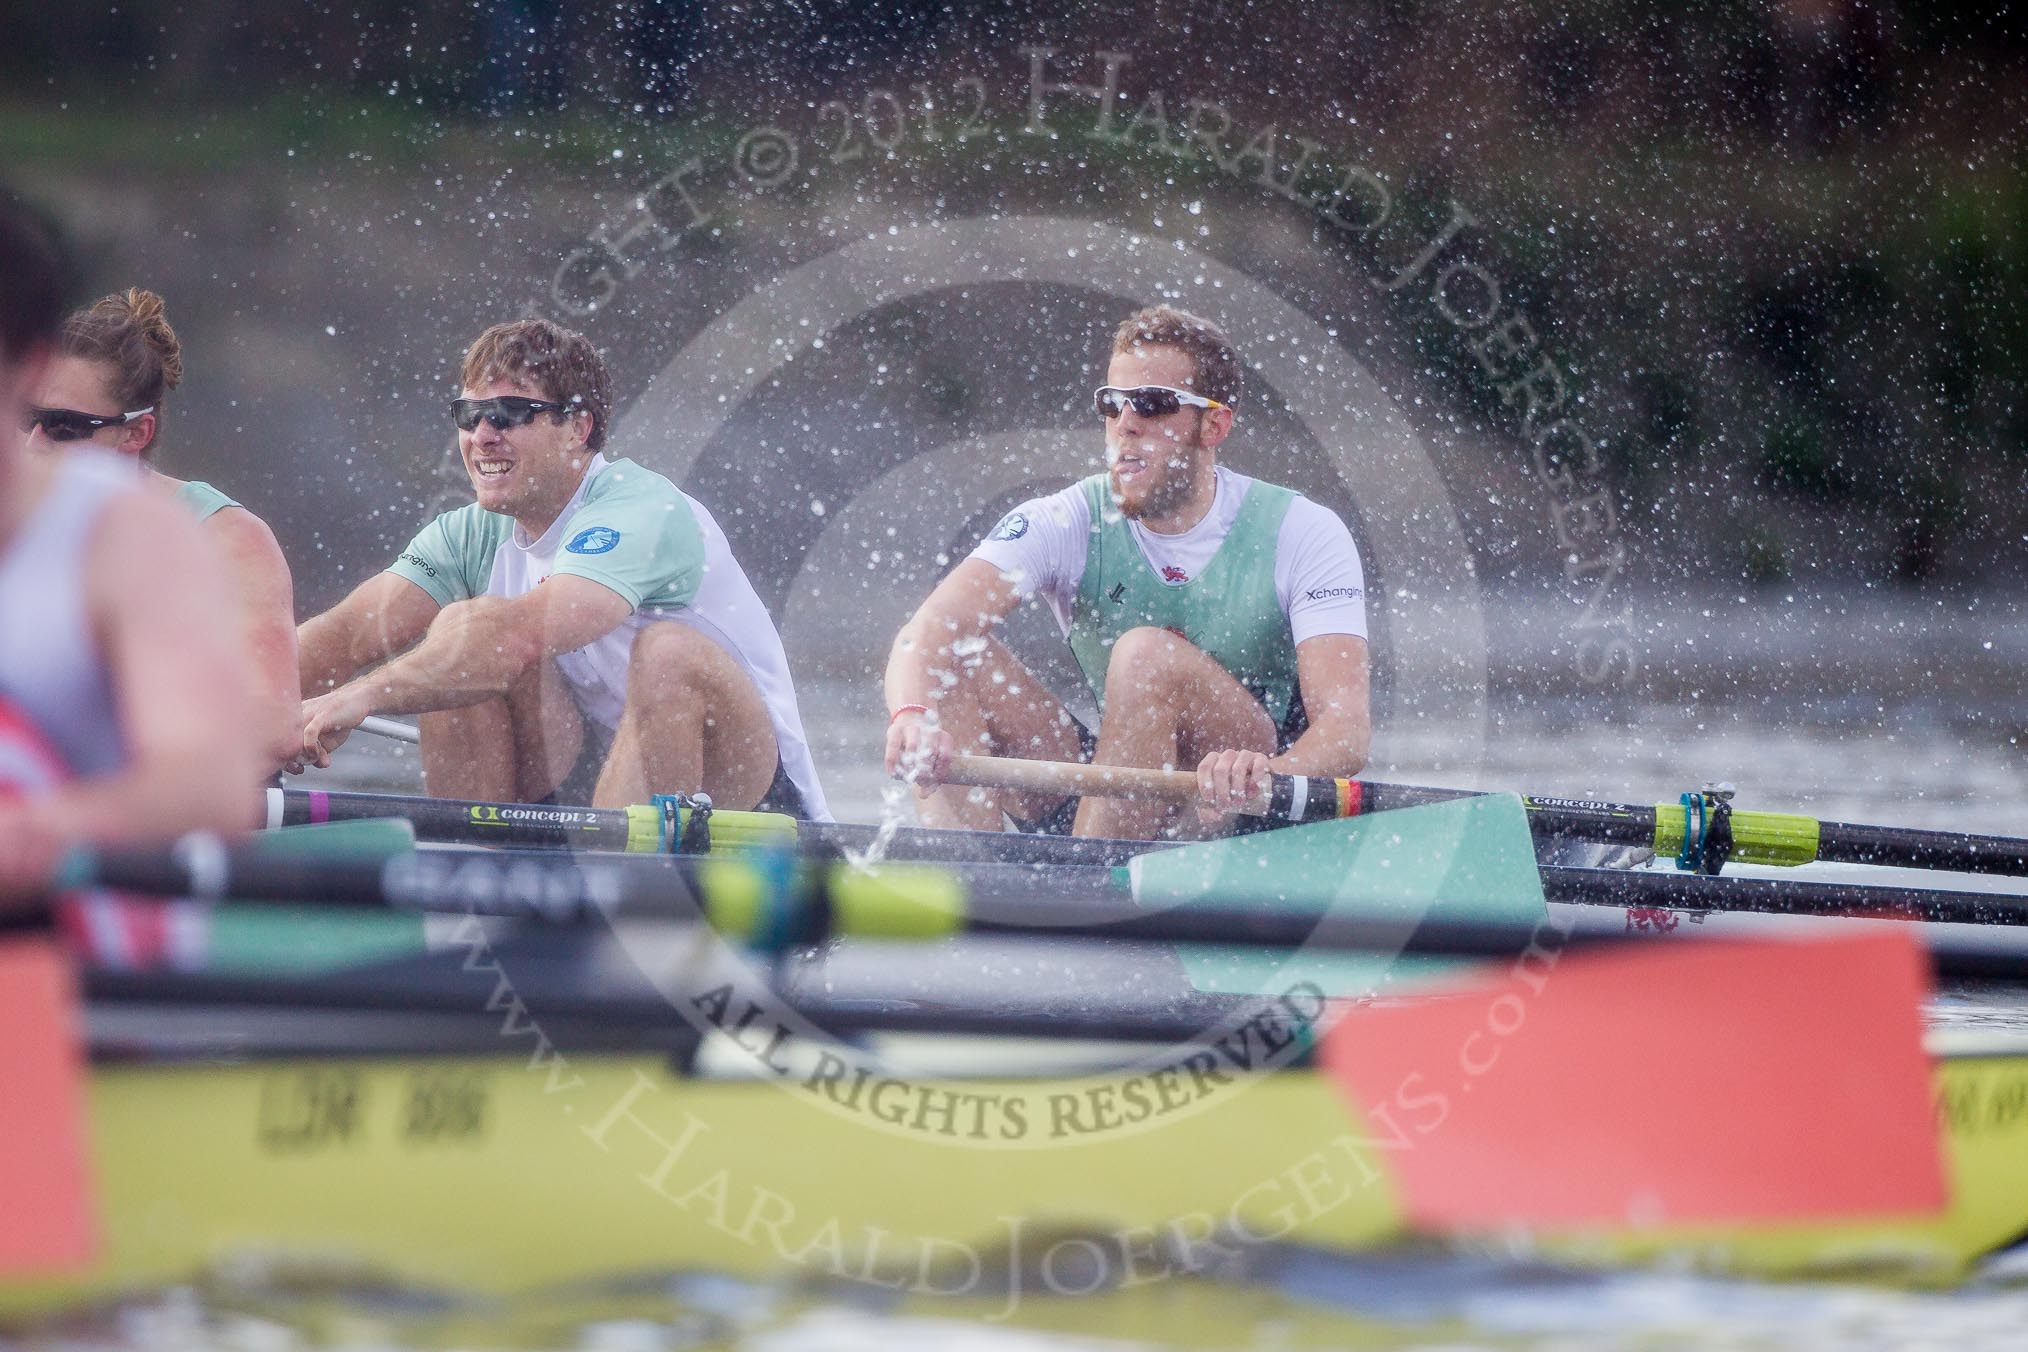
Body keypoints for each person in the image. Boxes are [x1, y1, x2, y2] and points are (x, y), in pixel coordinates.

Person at [295, 318, 830, 818]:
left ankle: (621, 890)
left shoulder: (644, 511)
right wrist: (233, 713)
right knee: (452, 652)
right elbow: (339, 640)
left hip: (754, 799)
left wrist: (358, 697)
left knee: (659, 651)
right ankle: (483, 885)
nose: (482, 435)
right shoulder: (471, 534)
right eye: (469, 415)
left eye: (508, 414)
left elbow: (519, 636)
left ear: (577, 427)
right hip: (602, 785)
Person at [884, 304, 1371, 840]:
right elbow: (922, 638)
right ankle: (964, 872)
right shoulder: (1064, 520)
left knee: (1145, 654)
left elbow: (1345, 734)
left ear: (1214, 424)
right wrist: (911, 716)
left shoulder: (1303, 531)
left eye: (1154, 404)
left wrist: (1267, 778)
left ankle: (1080, 882)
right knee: (953, 653)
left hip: (1239, 803)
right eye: (1111, 405)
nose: (1126, 424)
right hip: (1122, 786)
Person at [0, 193, 263, 904]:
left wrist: (49, 826)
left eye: (60, 423)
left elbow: (214, 782)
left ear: (28, 363)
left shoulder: (131, 535)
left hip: (69, 938)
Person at [25, 289, 300, 771]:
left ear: (136, 434)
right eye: (24, 418)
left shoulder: (227, 540)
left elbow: (274, 729)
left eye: (64, 426)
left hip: (160, 816)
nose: (33, 444)